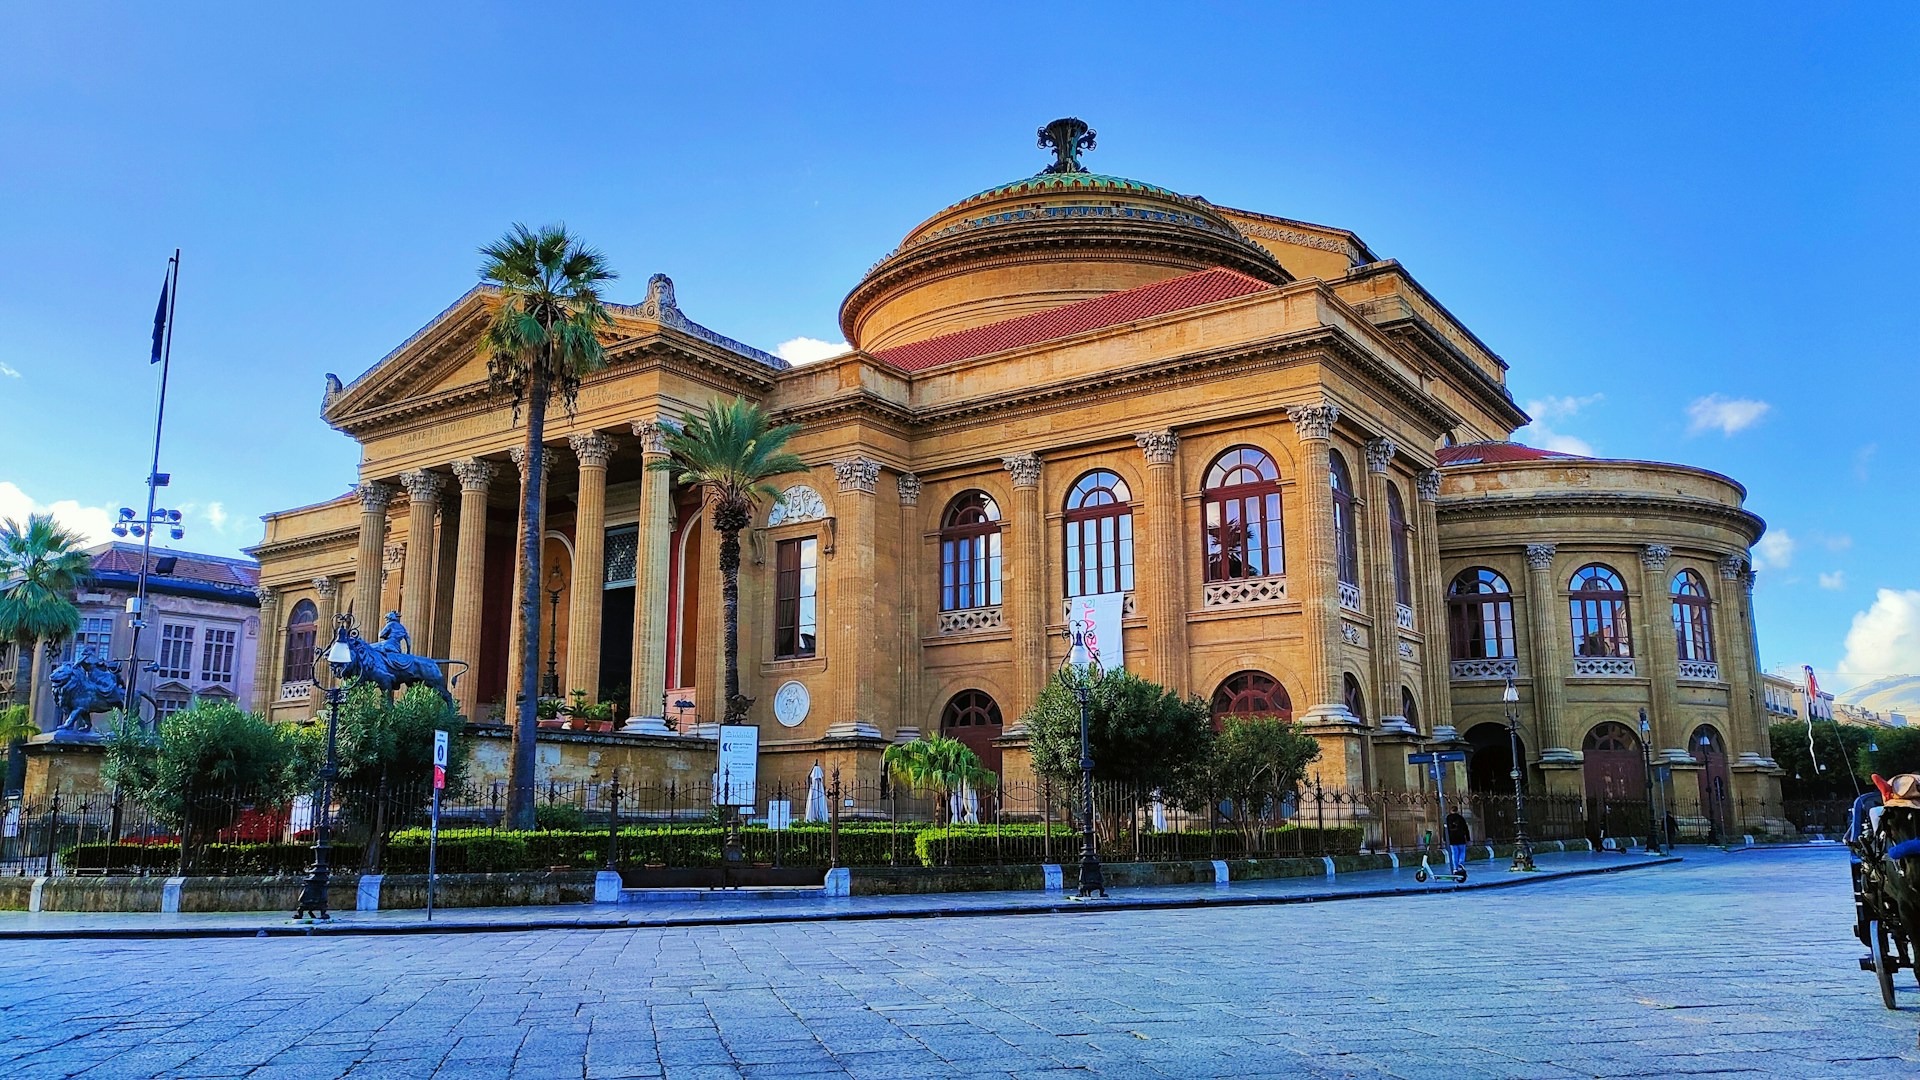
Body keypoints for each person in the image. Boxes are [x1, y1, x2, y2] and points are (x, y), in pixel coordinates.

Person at [1445, 809, 1471, 875]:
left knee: (1454, 853)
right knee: (1462, 852)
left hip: (1452, 839)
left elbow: (1445, 829)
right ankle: (1461, 863)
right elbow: (1466, 828)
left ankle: (1455, 868)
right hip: (1461, 838)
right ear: (1457, 810)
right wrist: (1468, 838)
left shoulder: (1448, 818)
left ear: (1451, 811)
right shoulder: (1461, 818)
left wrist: (1445, 839)